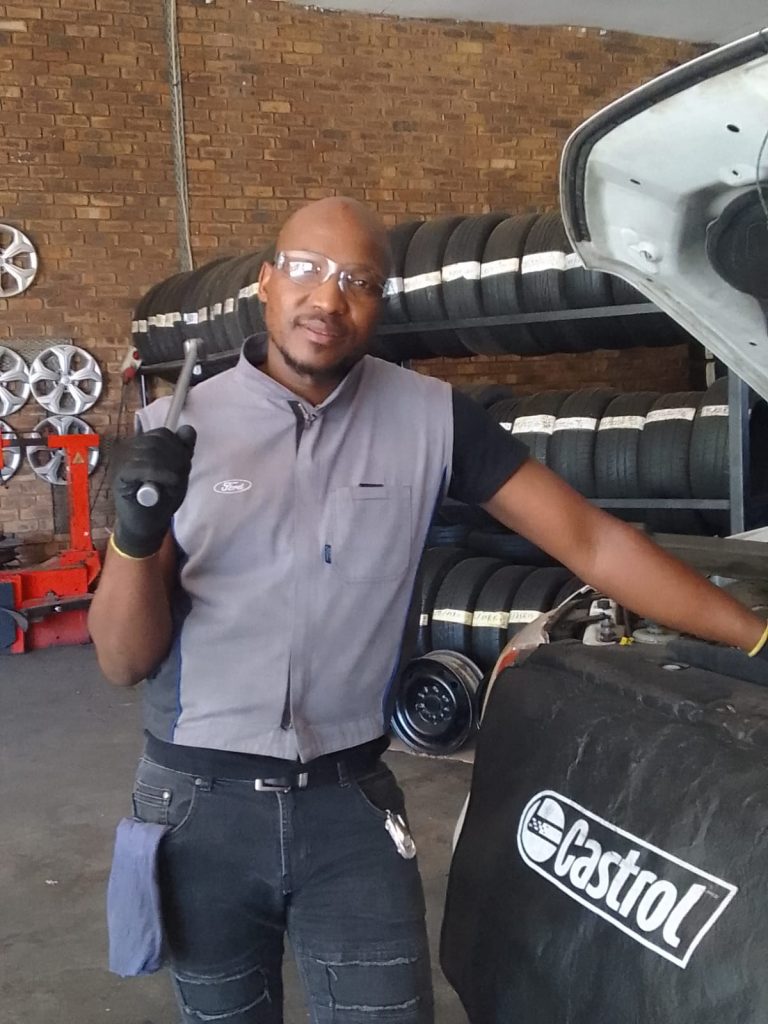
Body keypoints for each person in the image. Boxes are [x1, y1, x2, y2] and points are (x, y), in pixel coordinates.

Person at [88, 196, 767, 1024]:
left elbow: (592, 543)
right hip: (196, 806)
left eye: (358, 281)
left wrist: (756, 633)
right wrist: (135, 535)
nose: (327, 299)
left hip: (345, 804)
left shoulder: (433, 419)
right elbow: (122, 660)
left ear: (381, 301)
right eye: (305, 270)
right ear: (265, 283)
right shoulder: (172, 430)